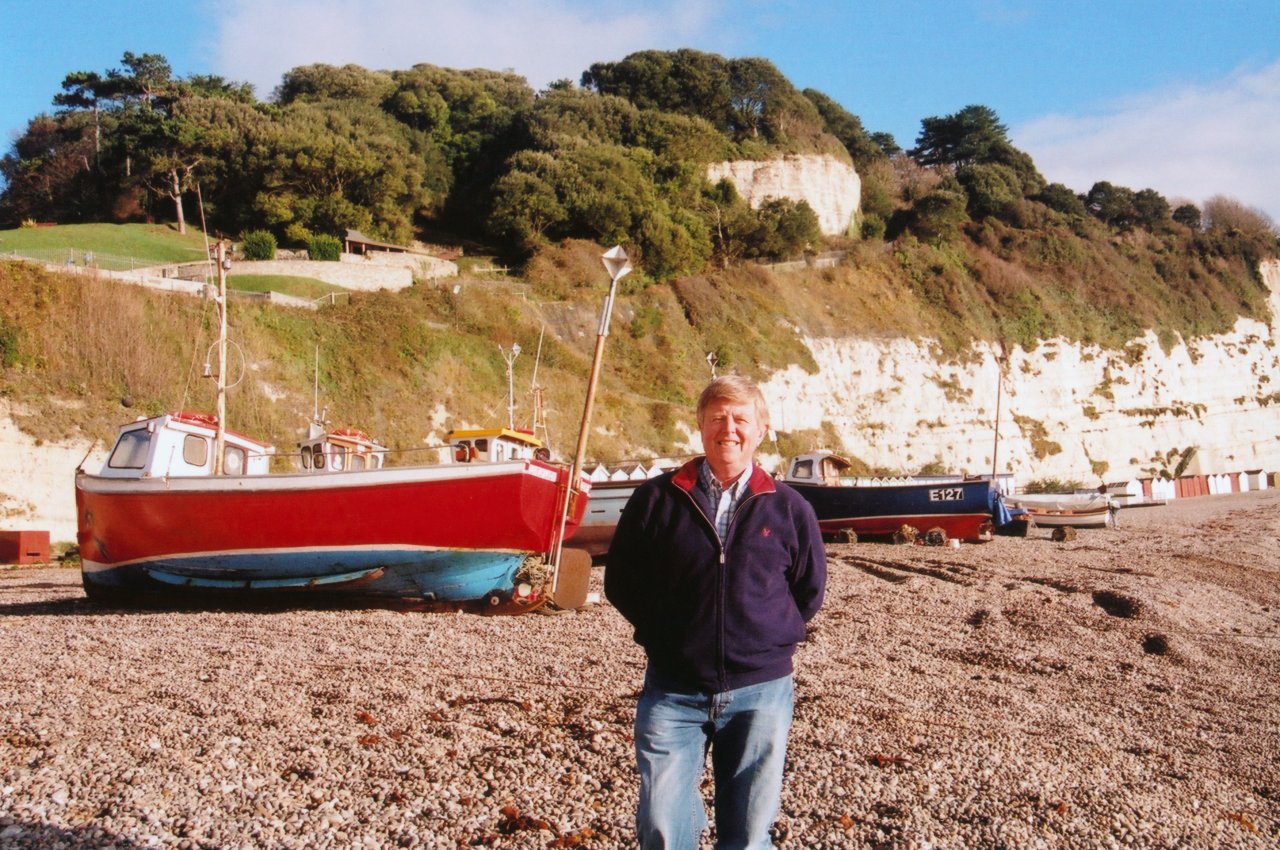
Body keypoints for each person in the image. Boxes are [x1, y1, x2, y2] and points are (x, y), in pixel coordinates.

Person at [605, 375, 827, 850]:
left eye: (741, 419)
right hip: (673, 689)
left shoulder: (789, 508)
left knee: (748, 837)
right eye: (718, 418)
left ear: (761, 429)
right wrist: (668, 636)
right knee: (662, 827)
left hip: (761, 693)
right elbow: (623, 582)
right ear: (700, 426)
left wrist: (765, 639)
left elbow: (809, 591)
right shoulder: (657, 499)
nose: (729, 429)